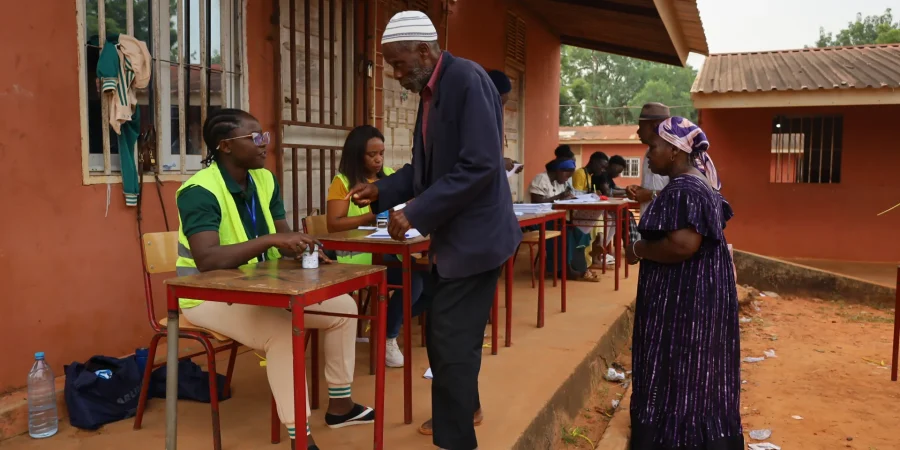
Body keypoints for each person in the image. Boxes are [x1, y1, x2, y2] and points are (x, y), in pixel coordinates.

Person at [345, 11, 521, 450]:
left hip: (476, 241)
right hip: (456, 242)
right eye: (389, 64)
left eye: (399, 63)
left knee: (448, 341)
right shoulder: (432, 91)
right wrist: (383, 189)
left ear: (425, 50)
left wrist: (418, 211)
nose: (394, 72)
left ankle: (455, 440)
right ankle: (465, 414)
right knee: (452, 341)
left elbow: (480, 165)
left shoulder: (466, 80)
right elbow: (425, 170)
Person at [175, 109, 375, 450]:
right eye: (254, 138)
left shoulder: (264, 179)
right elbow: (207, 259)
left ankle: (340, 406)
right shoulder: (198, 191)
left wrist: (303, 247)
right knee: (283, 330)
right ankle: (301, 438)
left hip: (259, 288)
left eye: (263, 135)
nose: (263, 144)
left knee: (343, 306)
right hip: (207, 296)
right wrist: (271, 241)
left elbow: (282, 238)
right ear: (225, 146)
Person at [625, 116, 742, 450]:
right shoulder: (697, 183)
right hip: (695, 298)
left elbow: (683, 245)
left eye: (654, 147)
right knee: (697, 373)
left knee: (684, 370)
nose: (648, 155)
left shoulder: (686, 189)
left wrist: (637, 249)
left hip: (687, 303)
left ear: (675, 151)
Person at [325, 125, 427, 368]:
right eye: (372, 154)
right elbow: (333, 224)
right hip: (355, 257)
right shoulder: (343, 182)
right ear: (357, 154)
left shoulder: (390, 177)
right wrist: (370, 216)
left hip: (388, 251)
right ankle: (388, 337)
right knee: (412, 281)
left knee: (430, 281)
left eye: (381, 153)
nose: (378, 159)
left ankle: (384, 325)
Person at [528, 158, 599, 282]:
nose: (567, 179)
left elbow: (571, 193)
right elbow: (536, 201)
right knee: (565, 233)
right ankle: (562, 269)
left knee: (578, 231)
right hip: (538, 219)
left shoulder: (561, 182)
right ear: (558, 170)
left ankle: (580, 268)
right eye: (566, 175)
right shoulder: (541, 179)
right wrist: (560, 197)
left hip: (555, 218)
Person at [626, 102, 670, 216]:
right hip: (649, 225)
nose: (638, 131)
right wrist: (638, 190)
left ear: (654, 125)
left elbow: (684, 193)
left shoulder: (673, 153)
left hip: (666, 228)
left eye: (641, 126)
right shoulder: (648, 153)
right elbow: (656, 188)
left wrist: (650, 194)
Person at [487, 69, 524, 178]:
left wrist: (508, 163)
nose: (507, 98)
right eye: (506, 94)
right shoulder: (479, 116)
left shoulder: (491, 113)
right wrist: (501, 163)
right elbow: (475, 157)